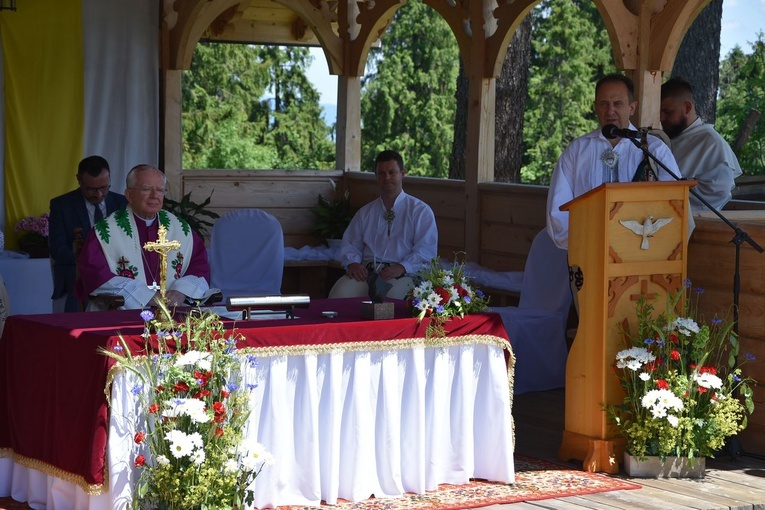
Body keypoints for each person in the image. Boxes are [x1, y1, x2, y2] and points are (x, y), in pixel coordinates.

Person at [547, 73, 680, 250]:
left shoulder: (654, 150)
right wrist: (584, 243)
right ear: (595, 107)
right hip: (588, 251)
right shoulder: (576, 151)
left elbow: (674, 203)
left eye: (618, 104)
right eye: (604, 104)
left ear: (632, 108)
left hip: (642, 253)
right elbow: (558, 210)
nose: (610, 111)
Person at [75, 164, 213, 310]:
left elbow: (199, 266)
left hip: (174, 312)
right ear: (129, 195)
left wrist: (181, 291)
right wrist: (144, 295)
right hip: (123, 315)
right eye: (146, 189)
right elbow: (95, 274)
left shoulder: (180, 228)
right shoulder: (105, 232)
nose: (154, 196)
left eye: (160, 190)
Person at [329, 150, 438, 300]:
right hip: (367, 273)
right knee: (340, 294)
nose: (386, 177)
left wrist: (403, 267)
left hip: (404, 274)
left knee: (390, 299)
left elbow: (426, 251)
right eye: (381, 173)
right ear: (376, 176)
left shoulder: (420, 211)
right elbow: (350, 244)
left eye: (392, 172)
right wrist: (353, 263)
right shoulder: (365, 212)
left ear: (403, 173)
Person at [49, 156, 128, 312]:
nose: (98, 194)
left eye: (104, 188)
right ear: (79, 180)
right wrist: (91, 261)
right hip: (77, 272)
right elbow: (58, 250)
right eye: (91, 189)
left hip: (118, 271)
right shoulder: (62, 205)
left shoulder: (122, 203)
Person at [660, 76, 743, 213]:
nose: (661, 118)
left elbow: (717, 193)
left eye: (667, 112)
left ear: (687, 107)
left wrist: (665, 196)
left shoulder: (712, 143)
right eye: (659, 112)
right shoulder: (663, 140)